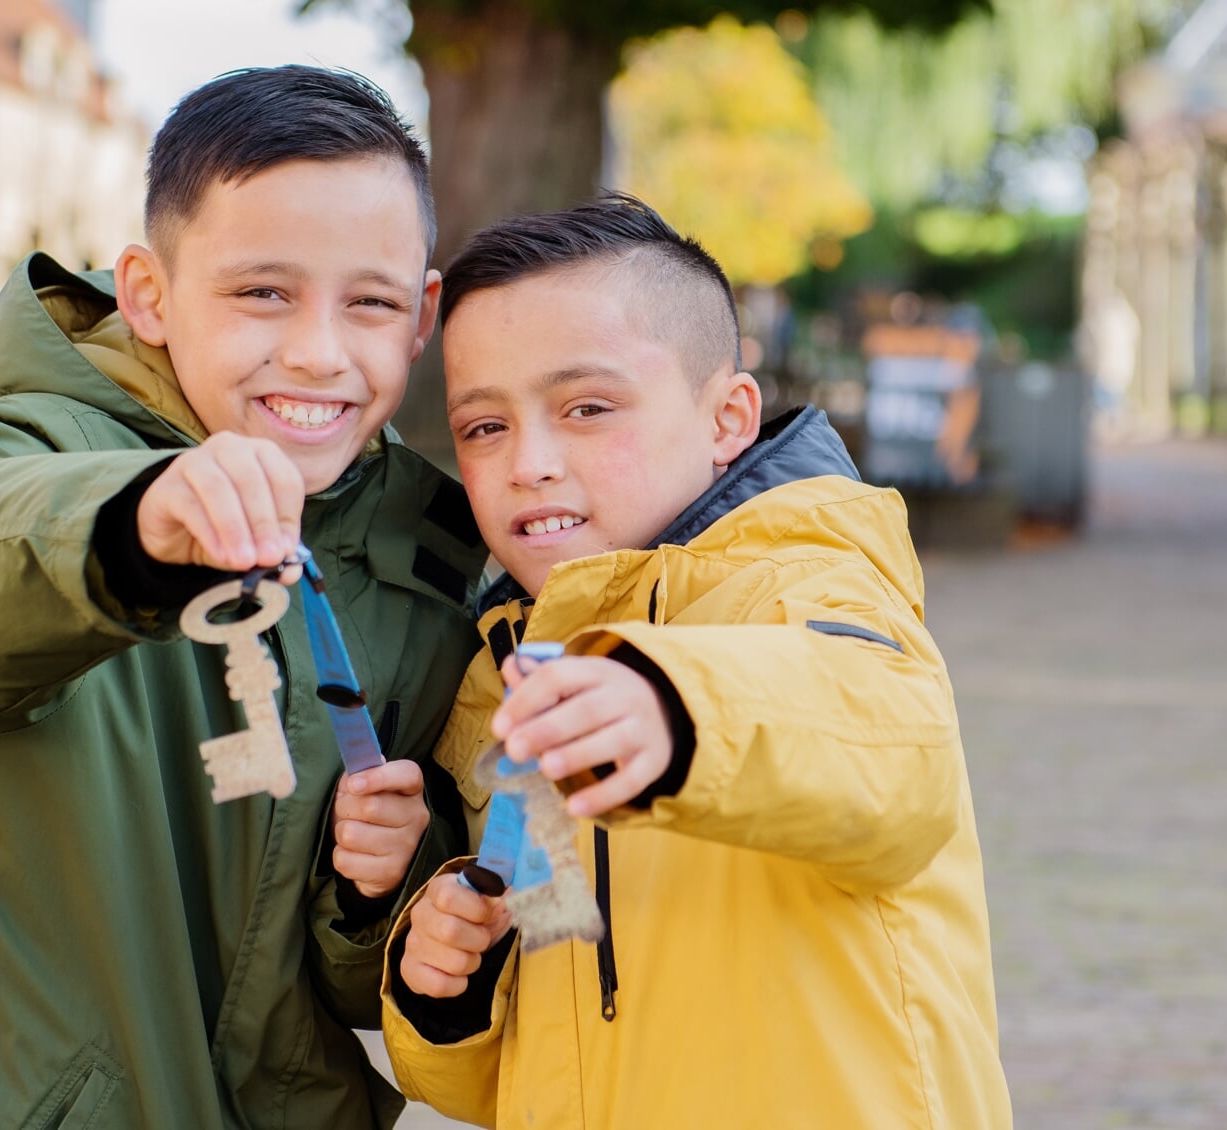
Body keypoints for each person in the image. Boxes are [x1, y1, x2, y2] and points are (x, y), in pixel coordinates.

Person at [0, 66, 488, 1129]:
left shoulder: (437, 560)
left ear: (421, 316)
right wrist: (135, 526)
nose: (318, 351)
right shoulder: (42, 439)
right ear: (148, 293)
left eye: (367, 301)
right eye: (262, 291)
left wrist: (376, 891)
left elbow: (362, 986)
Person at [379, 194, 1012, 1128]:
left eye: (587, 407)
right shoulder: (500, 678)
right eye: (484, 427)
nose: (530, 462)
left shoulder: (811, 587)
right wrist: (446, 986)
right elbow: (543, 1046)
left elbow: (890, 749)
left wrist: (673, 710)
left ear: (728, 418)